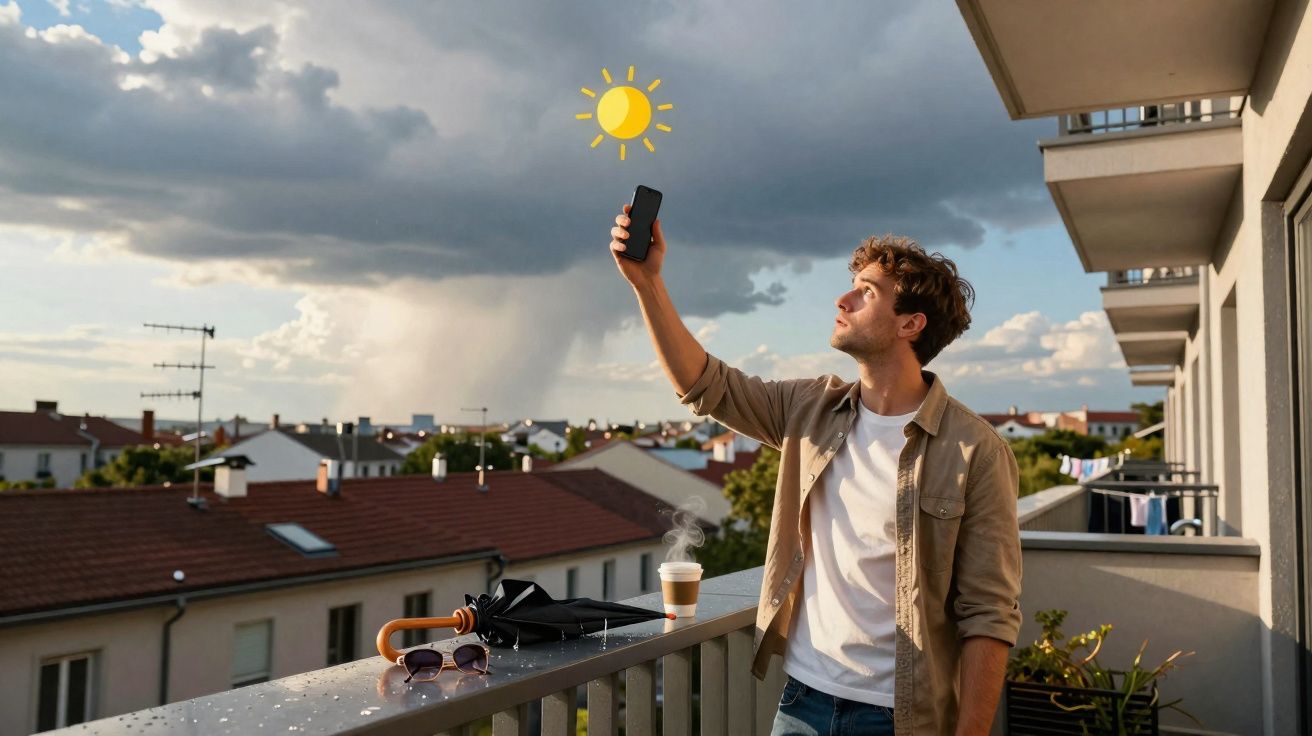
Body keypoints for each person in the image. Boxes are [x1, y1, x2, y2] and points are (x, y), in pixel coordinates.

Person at [608, 205, 1022, 736]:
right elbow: (705, 384)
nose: (842, 300)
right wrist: (648, 285)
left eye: (866, 292)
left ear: (910, 324)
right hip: (802, 701)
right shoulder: (810, 409)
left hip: (902, 718)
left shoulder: (976, 451)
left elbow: (989, 615)